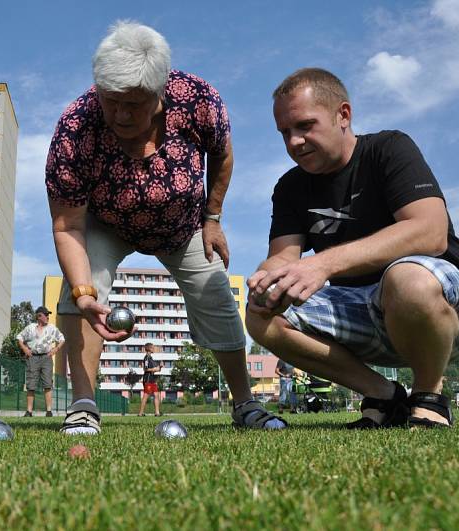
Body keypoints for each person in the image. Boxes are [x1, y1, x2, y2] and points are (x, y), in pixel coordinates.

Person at [46, 21, 286, 434]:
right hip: (105, 223)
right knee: (79, 289)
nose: (120, 114)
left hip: (183, 225)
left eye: (133, 103)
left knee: (216, 293)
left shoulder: (196, 99)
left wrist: (213, 218)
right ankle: (83, 405)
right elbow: (67, 226)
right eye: (110, 100)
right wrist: (85, 292)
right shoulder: (76, 126)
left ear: (160, 91)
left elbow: (222, 157)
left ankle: (245, 404)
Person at [246, 68, 459, 429]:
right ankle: (383, 394)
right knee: (260, 314)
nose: (294, 142)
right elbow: (284, 255)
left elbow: (431, 232)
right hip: (363, 312)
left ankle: (429, 397)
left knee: (407, 278)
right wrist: (267, 282)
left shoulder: (388, 149)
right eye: (285, 132)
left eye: (304, 126)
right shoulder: (290, 187)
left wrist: (323, 266)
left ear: (343, 115)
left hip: (445, 309)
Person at [16, 306, 65, 417]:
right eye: (46, 315)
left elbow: (62, 339)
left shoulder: (52, 328)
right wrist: (25, 349)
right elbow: (19, 337)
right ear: (39, 316)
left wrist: (55, 349)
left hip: (46, 358)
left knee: (47, 384)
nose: (48, 317)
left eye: (48, 315)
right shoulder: (30, 328)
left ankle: (48, 411)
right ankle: (29, 411)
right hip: (32, 358)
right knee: (31, 384)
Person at [138, 343, 164, 416]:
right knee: (146, 395)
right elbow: (145, 369)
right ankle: (140, 413)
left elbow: (156, 370)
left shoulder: (151, 359)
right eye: (153, 347)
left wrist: (160, 367)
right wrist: (154, 368)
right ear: (149, 349)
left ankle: (157, 412)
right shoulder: (146, 358)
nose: (154, 348)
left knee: (156, 395)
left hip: (152, 379)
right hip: (148, 379)